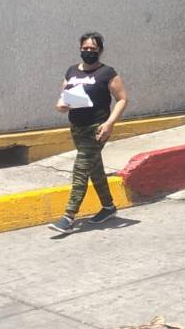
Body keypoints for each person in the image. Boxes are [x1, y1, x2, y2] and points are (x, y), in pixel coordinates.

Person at [49, 32, 128, 233]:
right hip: (77, 128)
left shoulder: (107, 73)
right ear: (80, 49)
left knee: (81, 169)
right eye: (85, 48)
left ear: (100, 50)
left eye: (93, 49)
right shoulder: (71, 71)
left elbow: (122, 99)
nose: (88, 51)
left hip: (97, 128)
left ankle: (68, 217)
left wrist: (110, 123)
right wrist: (61, 106)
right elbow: (63, 96)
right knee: (94, 169)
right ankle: (108, 207)